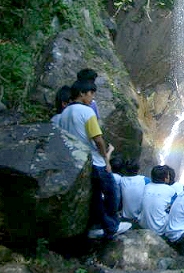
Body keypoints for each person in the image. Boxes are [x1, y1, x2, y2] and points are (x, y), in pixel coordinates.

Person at [58, 79, 131, 240]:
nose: (92, 98)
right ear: (82, 94)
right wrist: (106, 160)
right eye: (91, 93)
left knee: (95, 196)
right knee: (111, 191)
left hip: (78, 161)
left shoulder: (64, 115)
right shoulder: (87, 112)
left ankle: (97, 226)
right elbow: (98, 139)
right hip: (96, 162)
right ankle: (113, 226)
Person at [138, 165, 177, 235]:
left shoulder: (146, 186)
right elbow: (176, 206)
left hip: (142, 224)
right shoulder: (171, 190)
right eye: (168, 175)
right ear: (165, 178)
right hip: (158, 229)